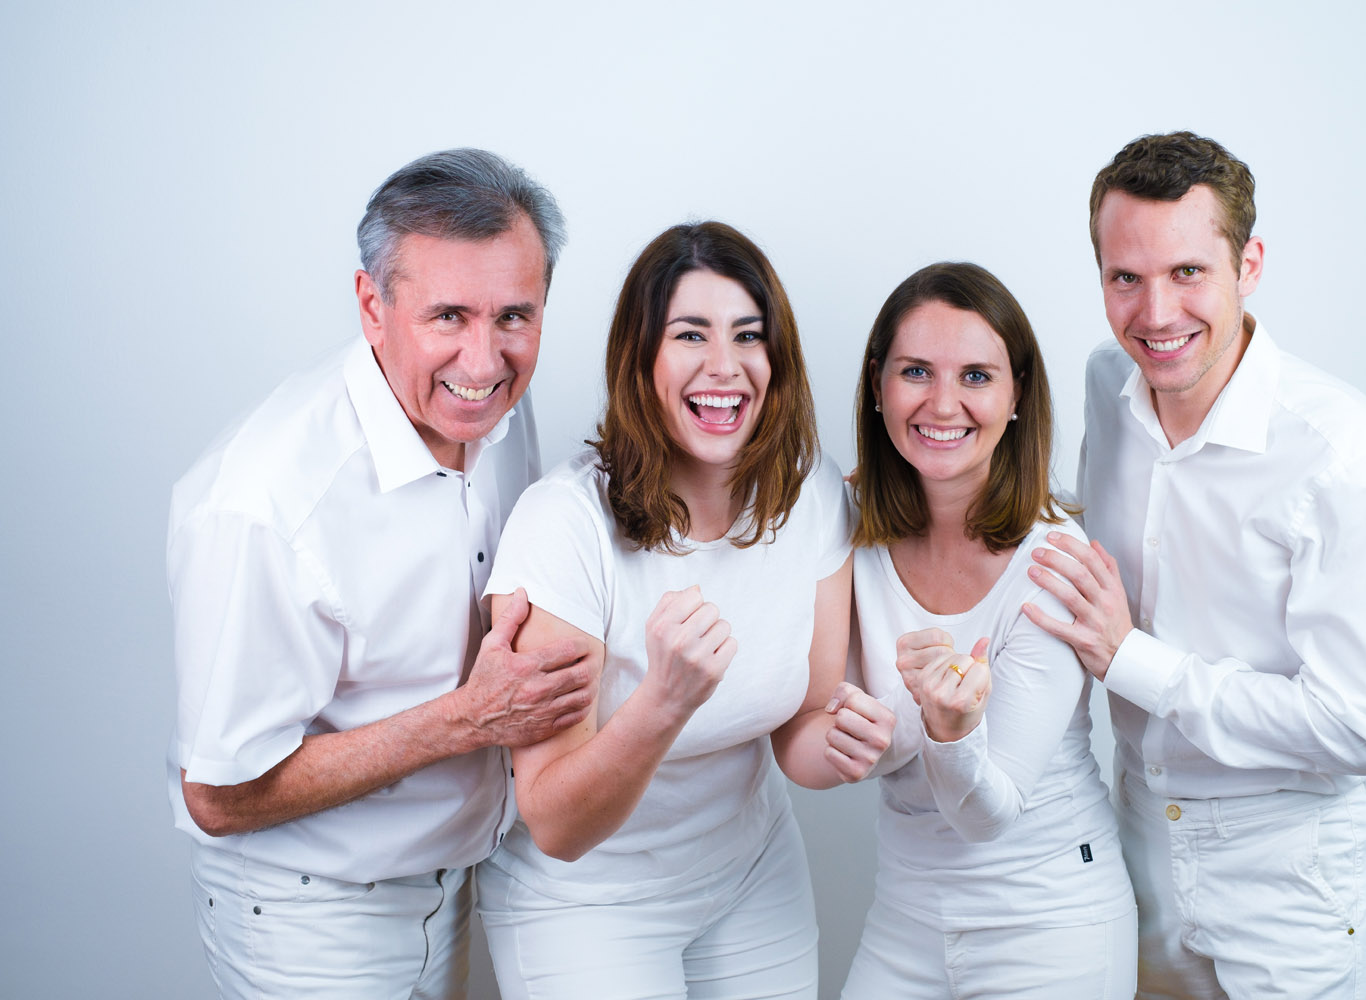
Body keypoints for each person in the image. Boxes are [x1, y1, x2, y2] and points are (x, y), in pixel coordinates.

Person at [166, 149, 595, 999]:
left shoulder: (493, 399)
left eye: (516, 315)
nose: (483, 359)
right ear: (372, 305)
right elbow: (219, 793)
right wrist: (468, 720)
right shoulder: (263, 503)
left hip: (461, 884)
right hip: (313, 921)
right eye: (448, 316)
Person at [1024, 131, 1366, 998]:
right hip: (1132, 838)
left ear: (1250, 264)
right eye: (1124, 278)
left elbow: (1359, 726)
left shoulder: (1341, 454)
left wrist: (1134, 660)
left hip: (1290, 865)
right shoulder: (1107, 382)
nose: (1156, 313)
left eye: (1187, 273)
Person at [474, 220, 895, 998]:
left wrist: (840, 745)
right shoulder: (565, 526)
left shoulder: (808, 493)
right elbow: (555, 821)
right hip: (587, 898)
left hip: (750, 874)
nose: (724, 367)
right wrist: (662, 702)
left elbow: (798, 726)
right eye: (690, 335)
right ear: (642, 360)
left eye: (748, 336)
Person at [841, 262, 1138, 999]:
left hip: (1051, 925)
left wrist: (950, 729)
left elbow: (987, 813)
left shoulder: (1054, 563)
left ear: (1016, 398)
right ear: (878, 386)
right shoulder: (843, 530)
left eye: (976, 376)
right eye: (916, 371)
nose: (943, 403)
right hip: (906, 915)